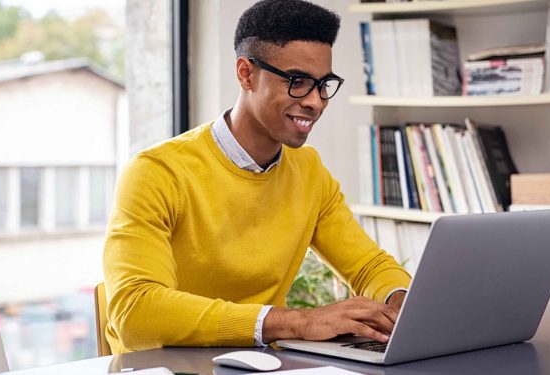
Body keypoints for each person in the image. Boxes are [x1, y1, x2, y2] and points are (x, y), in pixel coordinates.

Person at [103, 0, 410, 354]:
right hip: (164, 366)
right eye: (298, 82)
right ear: (246, 74)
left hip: (259, 363)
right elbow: (135, 311)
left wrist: (399, 301)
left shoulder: (309, 171)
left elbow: (368, 265)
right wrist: (298, 322)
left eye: (324, 84)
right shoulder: (156, 173)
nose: (316, 102)